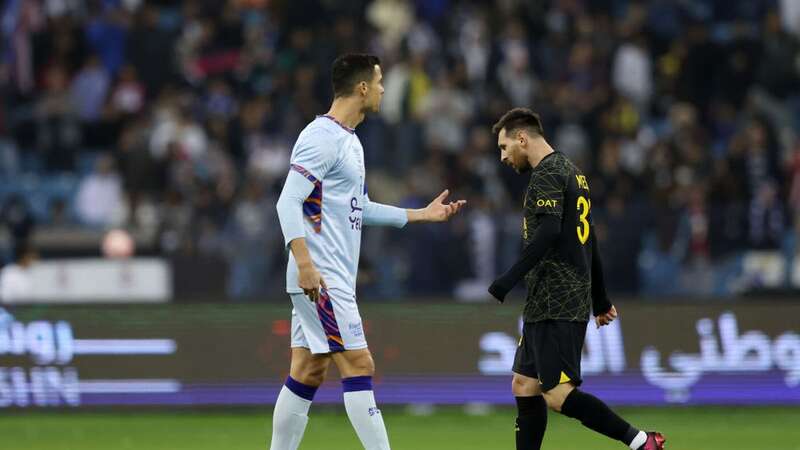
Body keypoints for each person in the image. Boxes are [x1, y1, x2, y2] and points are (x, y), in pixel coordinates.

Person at [272, 54, 466, 450]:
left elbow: (359, 207)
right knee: (360, 365)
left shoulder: (350, 142)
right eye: (378, 82)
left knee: (308, 369)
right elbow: (287, 202)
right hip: (320, 276)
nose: (381, 90)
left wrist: (419, 215)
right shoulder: (321, 137)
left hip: (326, 276)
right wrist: (306, 264)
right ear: (362, 88)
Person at [487, 108, 665, 450]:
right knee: (524, 383)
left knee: (557, 394)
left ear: (522, 139)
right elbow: (589, 238)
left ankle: (642, 442)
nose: (503, 156)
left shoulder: (547, 174)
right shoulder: (573, 173)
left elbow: (549, 232)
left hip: (558, 299)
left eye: (504, 147)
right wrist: (599, 298)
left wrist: (506, 280)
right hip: (546, 300)